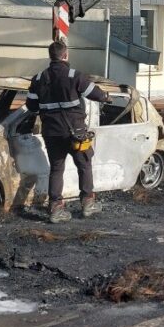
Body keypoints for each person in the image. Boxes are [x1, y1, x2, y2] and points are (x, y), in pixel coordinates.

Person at [27, 40, 109, 223]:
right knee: (84, 164)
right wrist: (106, 97)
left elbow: (31, 106)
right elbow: (96, 94)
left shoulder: (38, 79)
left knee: (56, 168)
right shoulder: (74, 76)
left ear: (51, 57)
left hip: (51, 133)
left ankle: (56, 208)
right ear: (65, 55)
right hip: (76, 133)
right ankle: (88, 203)